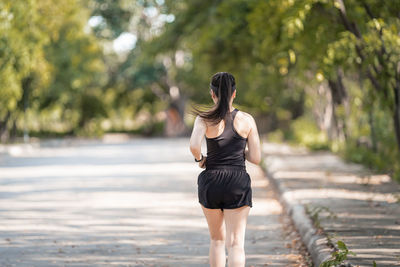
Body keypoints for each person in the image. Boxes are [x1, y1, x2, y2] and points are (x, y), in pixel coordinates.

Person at [189, 72, 261, 267]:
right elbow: (256, 157)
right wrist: (237, 152)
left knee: (217, 240)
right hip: (237, 182)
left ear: (212, 94)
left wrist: (201, 159)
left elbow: (194, 146)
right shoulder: (247, 120)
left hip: (211, 181)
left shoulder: (203, 118)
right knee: (236, 244)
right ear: (234, 94)